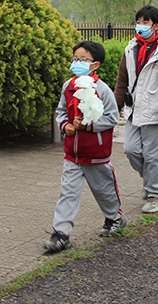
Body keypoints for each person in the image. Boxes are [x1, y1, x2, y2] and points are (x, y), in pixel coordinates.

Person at [44, 41, 123, 253]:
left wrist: (88, 125)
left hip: (96, 154)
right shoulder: (68, 86)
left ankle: (114, 218)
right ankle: (61, 233)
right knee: (68, 192)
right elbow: (61, 111)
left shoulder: (102, 89)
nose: (77, 63)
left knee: (103, 189)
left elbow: (112, 117)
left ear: (95, 65)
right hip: (72, 153)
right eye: (75, 59)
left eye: (83, 60)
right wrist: (66, 126)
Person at [114, 6, 158, 213]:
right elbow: (121, 81)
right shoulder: (130, 48)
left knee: (153, 155)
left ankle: (154, 195)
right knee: (130, 149)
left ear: (156, 25)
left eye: (145, 22)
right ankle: (151, 182)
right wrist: (115, 108)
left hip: (154, 111)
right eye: (139, 21)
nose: (140, 26)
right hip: (134, 110)